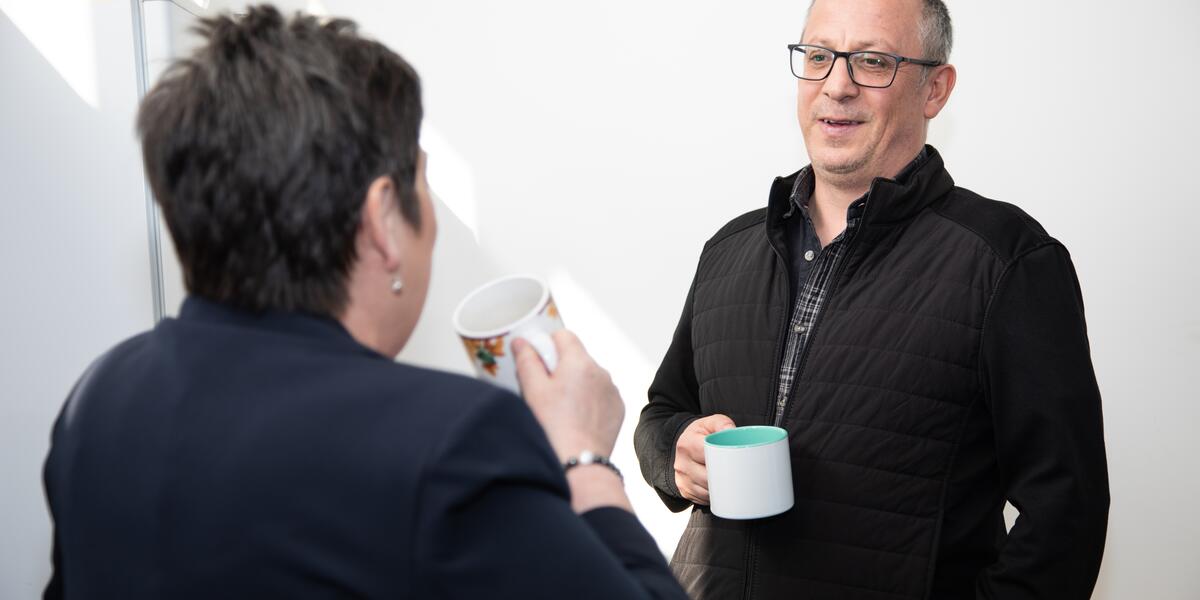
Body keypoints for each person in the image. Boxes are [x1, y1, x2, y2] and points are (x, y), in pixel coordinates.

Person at [41, 6, 686, 599]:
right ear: (383, 218)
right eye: (422, 180)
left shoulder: (99, 399)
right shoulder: (451, 443)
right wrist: (585, 459)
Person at [634, 0, 1110, 598]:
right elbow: (662, 411)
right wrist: (673, 454)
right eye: (817, 57)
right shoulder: (729, 248)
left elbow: (1065, 515)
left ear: (935, 89)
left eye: (872, 61)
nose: (837, 86)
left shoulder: (1007, 260)